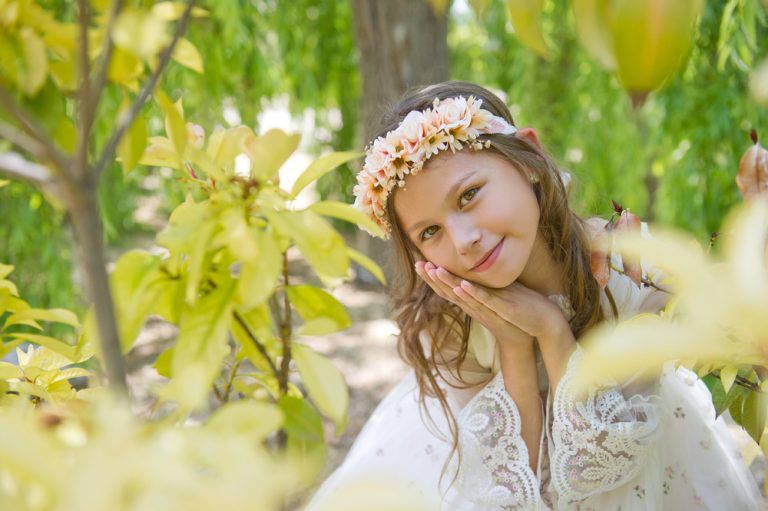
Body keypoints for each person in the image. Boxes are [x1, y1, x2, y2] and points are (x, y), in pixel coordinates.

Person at [306, 81, 761, 510]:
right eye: (430, 231)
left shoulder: (632, 276)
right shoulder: (449, 316)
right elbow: (521, 490)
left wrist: (550, 328)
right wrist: (513, 344)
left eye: (468, 196)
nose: (463, 240)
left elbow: (593, 473)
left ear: (528, 159)